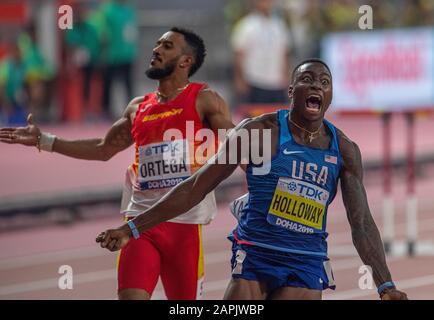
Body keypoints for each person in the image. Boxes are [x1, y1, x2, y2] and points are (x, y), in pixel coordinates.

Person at [95, 58, 408, 300]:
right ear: (291, 92)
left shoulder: (345, 151)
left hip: (306, 262)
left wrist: (386, 283)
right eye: (307, 80)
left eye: (324, 82)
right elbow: (195, 187)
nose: (316, 86)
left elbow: (362, 222)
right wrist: (133, 226)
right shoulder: (260, 133)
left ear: (329, 95)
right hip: (256, 255)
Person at [0, 27, 234, 300]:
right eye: (157, 44)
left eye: (167, 46)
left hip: (184, 229)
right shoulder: (138, 107)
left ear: (186, 61)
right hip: (137, 226)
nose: (156, 49)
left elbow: (241, 145)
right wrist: (45, 140)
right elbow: (103, 148)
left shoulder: (204, 100)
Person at [231, 0, 291, 105]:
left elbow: (284, 53)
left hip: (277, 83)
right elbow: (239, 54)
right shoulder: (246, 25)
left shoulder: (279, 25)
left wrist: (286, 77)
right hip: (255, 82)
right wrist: (239, 78)